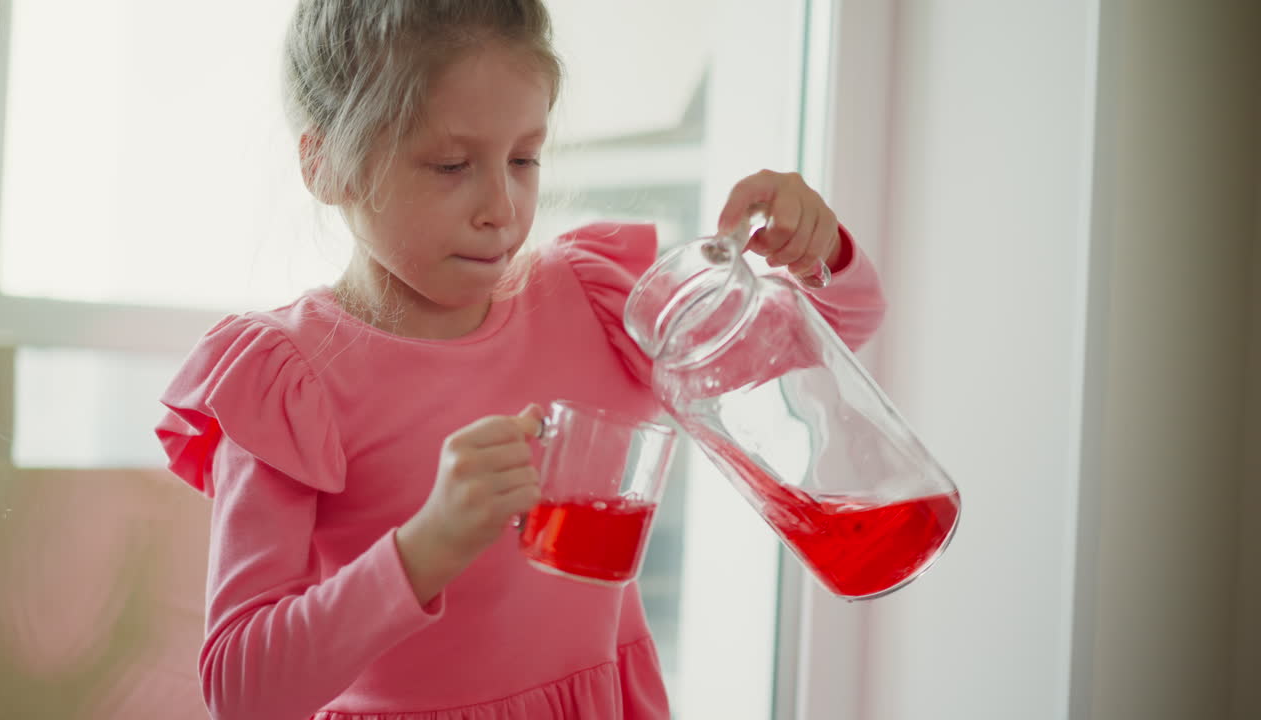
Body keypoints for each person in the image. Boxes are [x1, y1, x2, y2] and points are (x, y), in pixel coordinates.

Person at [155, 1, 888, 718]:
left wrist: (814, 249)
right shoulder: (291, 382)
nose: (501, 207)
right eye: (450, 165)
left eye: (524, 158)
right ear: (326, 165)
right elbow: (242, 691)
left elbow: (842, 328)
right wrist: (425, 547)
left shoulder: (595, 303)